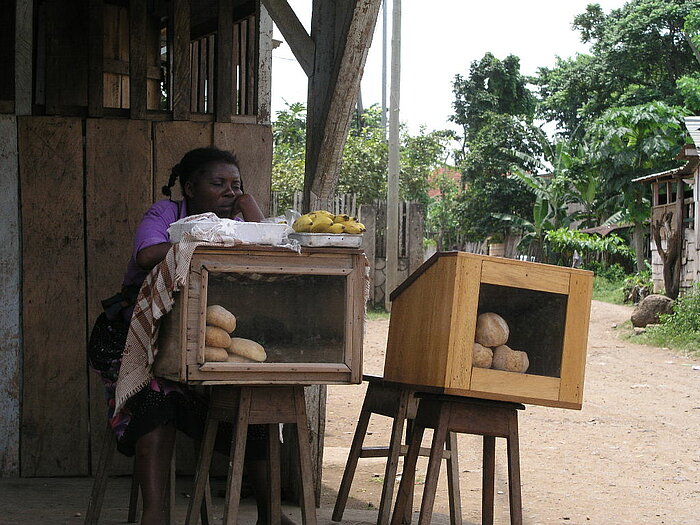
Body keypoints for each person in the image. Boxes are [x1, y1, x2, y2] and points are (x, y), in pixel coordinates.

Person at [88, 147, 291, 525]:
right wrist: (207, 241)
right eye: (219, 184)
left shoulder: (239, 223)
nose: (229, 191)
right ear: (190, 186)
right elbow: (148, 255)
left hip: (204, 338)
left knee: (256, 409)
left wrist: (250, 209)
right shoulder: (167, 214)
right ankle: (155, 516)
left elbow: (270, 247)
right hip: (137, 337)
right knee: (156, 404)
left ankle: (272, 514)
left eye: (237, 185)